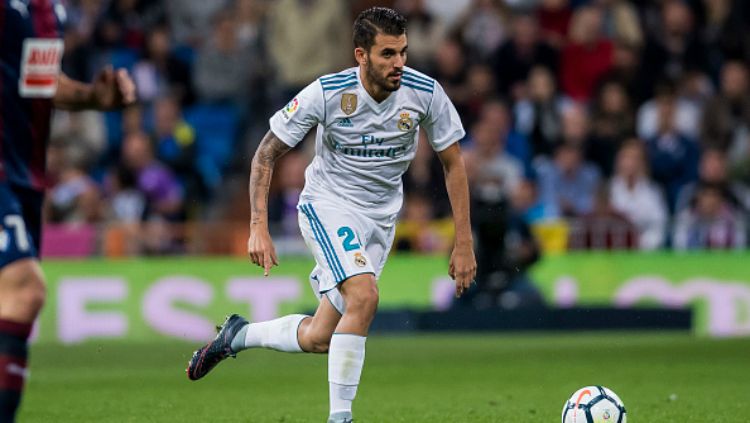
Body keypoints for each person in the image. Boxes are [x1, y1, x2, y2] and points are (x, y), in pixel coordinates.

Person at [186, 7, 476, 423]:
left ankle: (238, 335)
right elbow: (266, 153)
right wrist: (257, 227)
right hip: (328, 204)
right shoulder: (326, 93)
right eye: (388, 54)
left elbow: (453, 164)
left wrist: (463, 240)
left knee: (322, 336)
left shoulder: (425, 93)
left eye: (403, 53)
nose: (399, 64)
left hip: (380, 219)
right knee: (365, 296)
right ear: (361, 55)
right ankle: (341, 418)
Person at [0, 1, 136, 421]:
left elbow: (40, 83)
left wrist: (94, 96)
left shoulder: (48, 11)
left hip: (23, 179)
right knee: (24, 289)